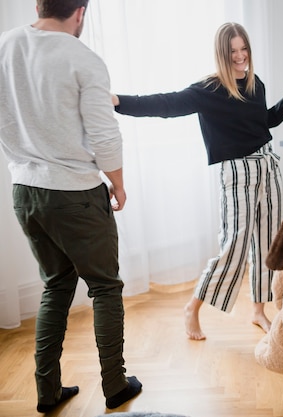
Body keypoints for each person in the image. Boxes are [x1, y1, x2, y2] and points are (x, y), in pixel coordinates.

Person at [112, 22, 283, 340]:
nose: (240, 57)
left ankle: (258, 310)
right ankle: (193, 308)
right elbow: (165, 104)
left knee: (267, 243)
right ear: (222, 54)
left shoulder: (257, 84)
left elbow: (260, 124)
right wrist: (120, 101)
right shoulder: (209, 89)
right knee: (234, 247)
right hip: (237, 173)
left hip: (268, 168)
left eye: (244, 50)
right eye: (233, 52)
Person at [0, 0, 142, 412]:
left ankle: (47, 393)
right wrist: (118, 185)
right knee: (105, 287)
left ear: (39, 5)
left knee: (55, 285)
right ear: (80, 12)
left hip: (25, 190)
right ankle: (115, 386)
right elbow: (104, 135)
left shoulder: (5, 46)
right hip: (75, 194)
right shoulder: (83, 58)